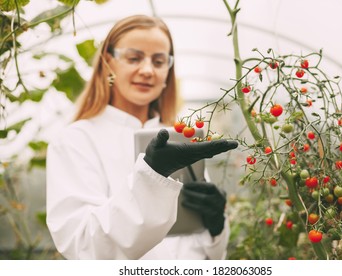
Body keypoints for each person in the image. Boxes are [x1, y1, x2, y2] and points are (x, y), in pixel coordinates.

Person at [46, 14, 238, 260]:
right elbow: (83, 245)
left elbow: (200, 251)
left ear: (168, 71)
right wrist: (152, 177)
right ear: (108, 63)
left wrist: (215, 226)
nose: (147, 70)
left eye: (158, 61)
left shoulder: (181, 139)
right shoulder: (76, 140)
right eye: (134, 58)